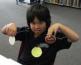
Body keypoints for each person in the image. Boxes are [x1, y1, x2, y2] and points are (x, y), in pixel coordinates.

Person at [1, 4, 79, 65]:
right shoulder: (26, 31)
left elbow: (75, 38)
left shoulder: (53, 36)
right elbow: (3, 31)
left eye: (41, 22)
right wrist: (9, 25)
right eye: (33, 23)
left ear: (47, 21)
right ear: (29, 23)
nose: (37, 27)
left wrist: (60, 26)